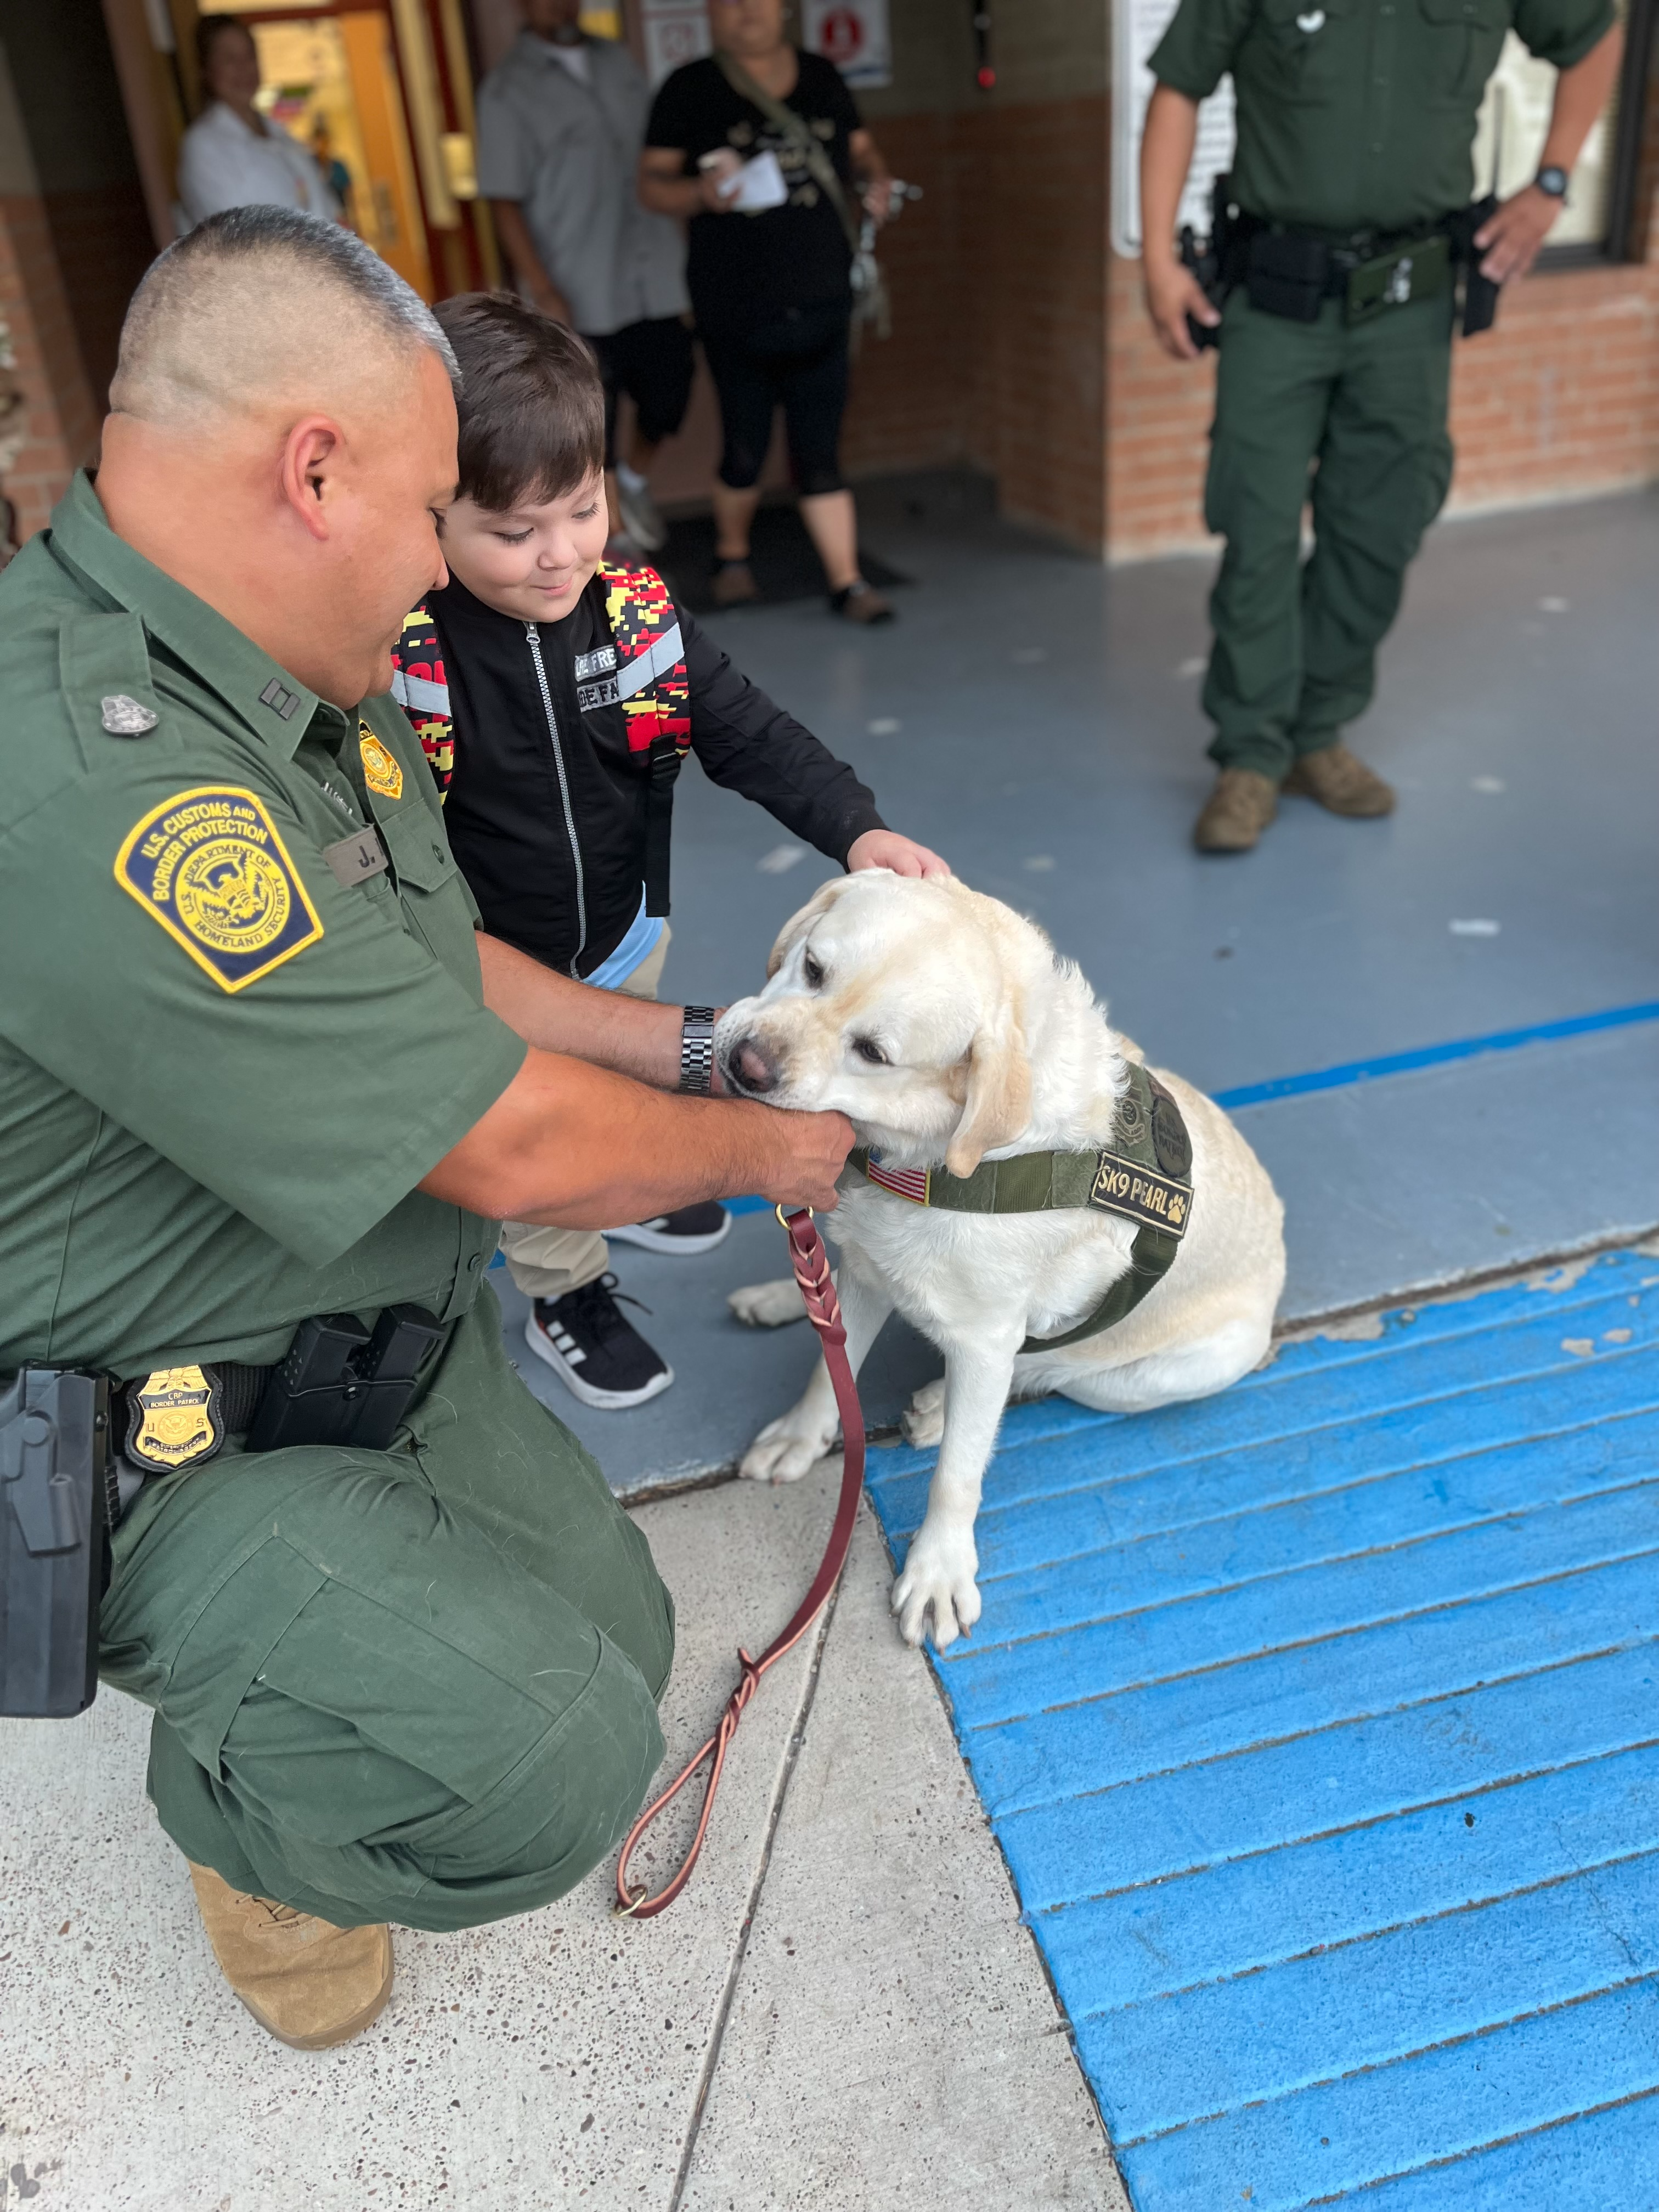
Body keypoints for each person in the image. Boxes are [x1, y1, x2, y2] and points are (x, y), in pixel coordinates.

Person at [0, 207, 852, 2050]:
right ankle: (238, 1827)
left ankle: (341, 1650)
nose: (440, 564)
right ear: (316, 472)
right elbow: (513, 1150)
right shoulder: (97, 769)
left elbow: (451, 970)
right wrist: (790, 1156)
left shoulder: (296, 694)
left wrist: (726, 1052)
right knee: (541, 1777)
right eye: (429, 508)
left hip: (367, 1328)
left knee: (618, 1648)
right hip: (166, 1441)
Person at [391, 293, 949, 1410]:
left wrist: (856, 825)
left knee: (635, 1073)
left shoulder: (637, 616)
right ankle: (566, 1288)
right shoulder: (407, 654)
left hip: (628, 928)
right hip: (496, 964)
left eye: (584, 509)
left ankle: (635, 1180)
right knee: (546, 1130)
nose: (560, 557)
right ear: (432, 516)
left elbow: (747, 731)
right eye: (514, 533)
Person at [1139, 0, 1624, 853]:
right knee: (1256, 521)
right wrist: (1157, 261)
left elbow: (1595, 37)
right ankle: (1251, 756)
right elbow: (1178, 87)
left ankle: (1316, 732)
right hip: (1278, 300)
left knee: (1382, 521)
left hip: (1411, 304)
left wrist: (1552, 184)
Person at [639, 0, 896, 619]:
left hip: (824, 300)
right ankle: (732, 559)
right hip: (735, 306)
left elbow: (863, 151)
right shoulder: (691, 88)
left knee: (821, 448)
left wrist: (878, 181)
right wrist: (699, 193)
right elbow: (651, 184)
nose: (744, 10)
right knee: (744, 446)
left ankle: (848, 581)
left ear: (784, 8)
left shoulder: (822, 77)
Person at [478, 0, 692, 557]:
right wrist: (542, 287)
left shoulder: (619, 64)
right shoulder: (506, 90)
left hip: (655, 271)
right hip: (579, 283)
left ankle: (635, 486)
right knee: (597, 414)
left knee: (670, 394)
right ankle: (617, 536)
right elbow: (504, 201)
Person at [177, 16, 338, 230]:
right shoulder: (204, 145)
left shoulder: (281, 135)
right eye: (230, 59)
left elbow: (319, 204)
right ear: (206, 70)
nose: (244, 68)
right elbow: (240, 238)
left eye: (250, 56)